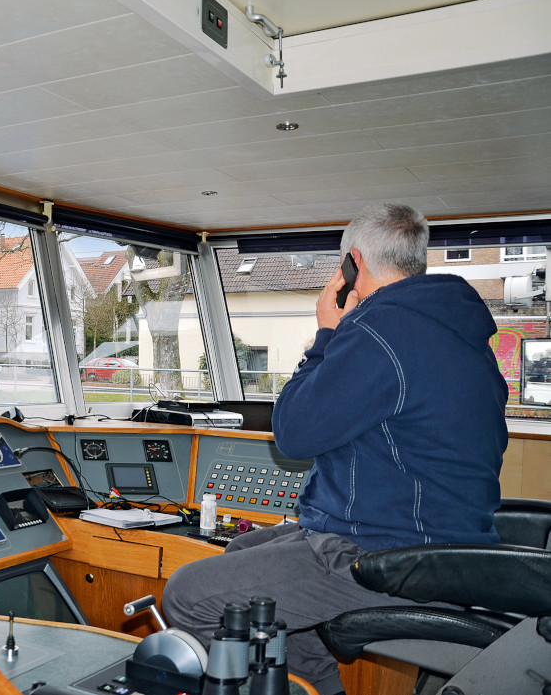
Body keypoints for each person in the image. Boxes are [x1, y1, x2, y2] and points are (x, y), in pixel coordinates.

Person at [161, 203, 507, 695]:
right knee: (242, 549)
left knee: (191, 593)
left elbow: (295, 434)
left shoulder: (378, 329)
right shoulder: (462, 336)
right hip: (445, 545)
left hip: (389, 554)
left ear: (354, 264)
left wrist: (327, 333)